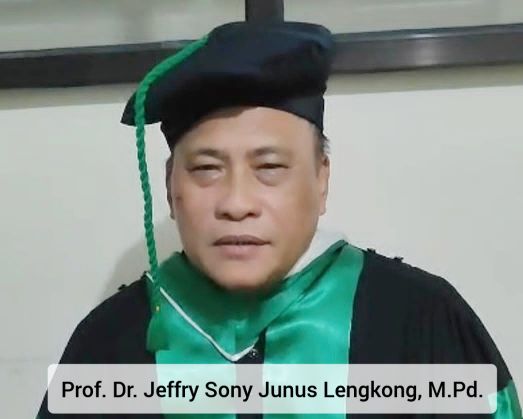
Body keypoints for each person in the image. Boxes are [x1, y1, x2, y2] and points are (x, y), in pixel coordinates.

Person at [37, 20, 521, 418]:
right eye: (206, 169)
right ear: (169, 186)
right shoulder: (110, 342)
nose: (237, 203)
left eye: (269, 168)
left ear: (321, 179)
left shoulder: (421, 321)